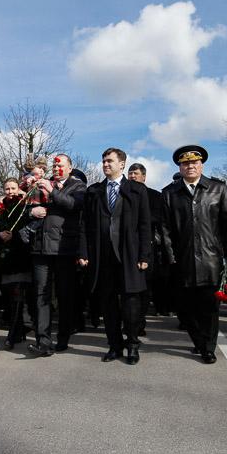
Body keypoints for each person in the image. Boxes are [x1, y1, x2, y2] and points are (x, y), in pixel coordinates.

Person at [161, 145, 227, 364]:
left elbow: (226, 223)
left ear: (201, 164)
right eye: (185, 163)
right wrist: (170, 256)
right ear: (180, 167)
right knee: (185, 309)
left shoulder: (217, 188)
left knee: (209, 308)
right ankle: (199, 340)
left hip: (211, 258)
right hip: (182, 260)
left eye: (194, 162)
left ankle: (207, 347)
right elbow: (165, 229)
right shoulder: (170, 193)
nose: (190, 166)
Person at [79, 148, 151, 363]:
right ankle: (114, 346)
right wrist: (83, 251)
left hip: (129, 255)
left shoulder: (137, 190)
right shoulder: (94, 192)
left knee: (130, 304)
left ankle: (132, 345)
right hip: (103, 257)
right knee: (108, 304)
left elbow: (145, 225)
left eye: (110, 161)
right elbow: (85, 225)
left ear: (122, 164)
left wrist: (144, 255)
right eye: (103, 161)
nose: (105, 164)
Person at [26, 154, 86, 356]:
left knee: (64, 295)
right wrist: (31, 212)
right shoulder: (42, 183)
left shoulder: (78, 187)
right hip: (40, 247)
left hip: (63, 248)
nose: (56, 167)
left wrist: (52, 191)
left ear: (70, 168)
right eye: (54, 164)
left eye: (60, 165)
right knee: (40, 294)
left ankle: (62, 337)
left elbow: (74, 205)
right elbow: (25, 207)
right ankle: (43, 340)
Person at [127, 162, 170, 322]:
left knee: (145, 286)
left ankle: (140, 322)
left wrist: (136, 221)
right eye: (130, 173)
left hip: (146, 246)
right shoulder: (122, 193)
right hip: (126, 247)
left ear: (144, 177)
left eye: (135, 173)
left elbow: (158, 218)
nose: (132, 176)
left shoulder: (154, 196)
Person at [0, 178, 34, 350]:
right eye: (7, 189)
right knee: (9, 299)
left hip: (21, 257)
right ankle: (19, 331)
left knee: (18, 298)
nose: (10, 192)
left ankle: (12, 336)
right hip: (5, 259)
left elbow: (29, 229)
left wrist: (16, 235)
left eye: (13, 188)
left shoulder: (25, 207)